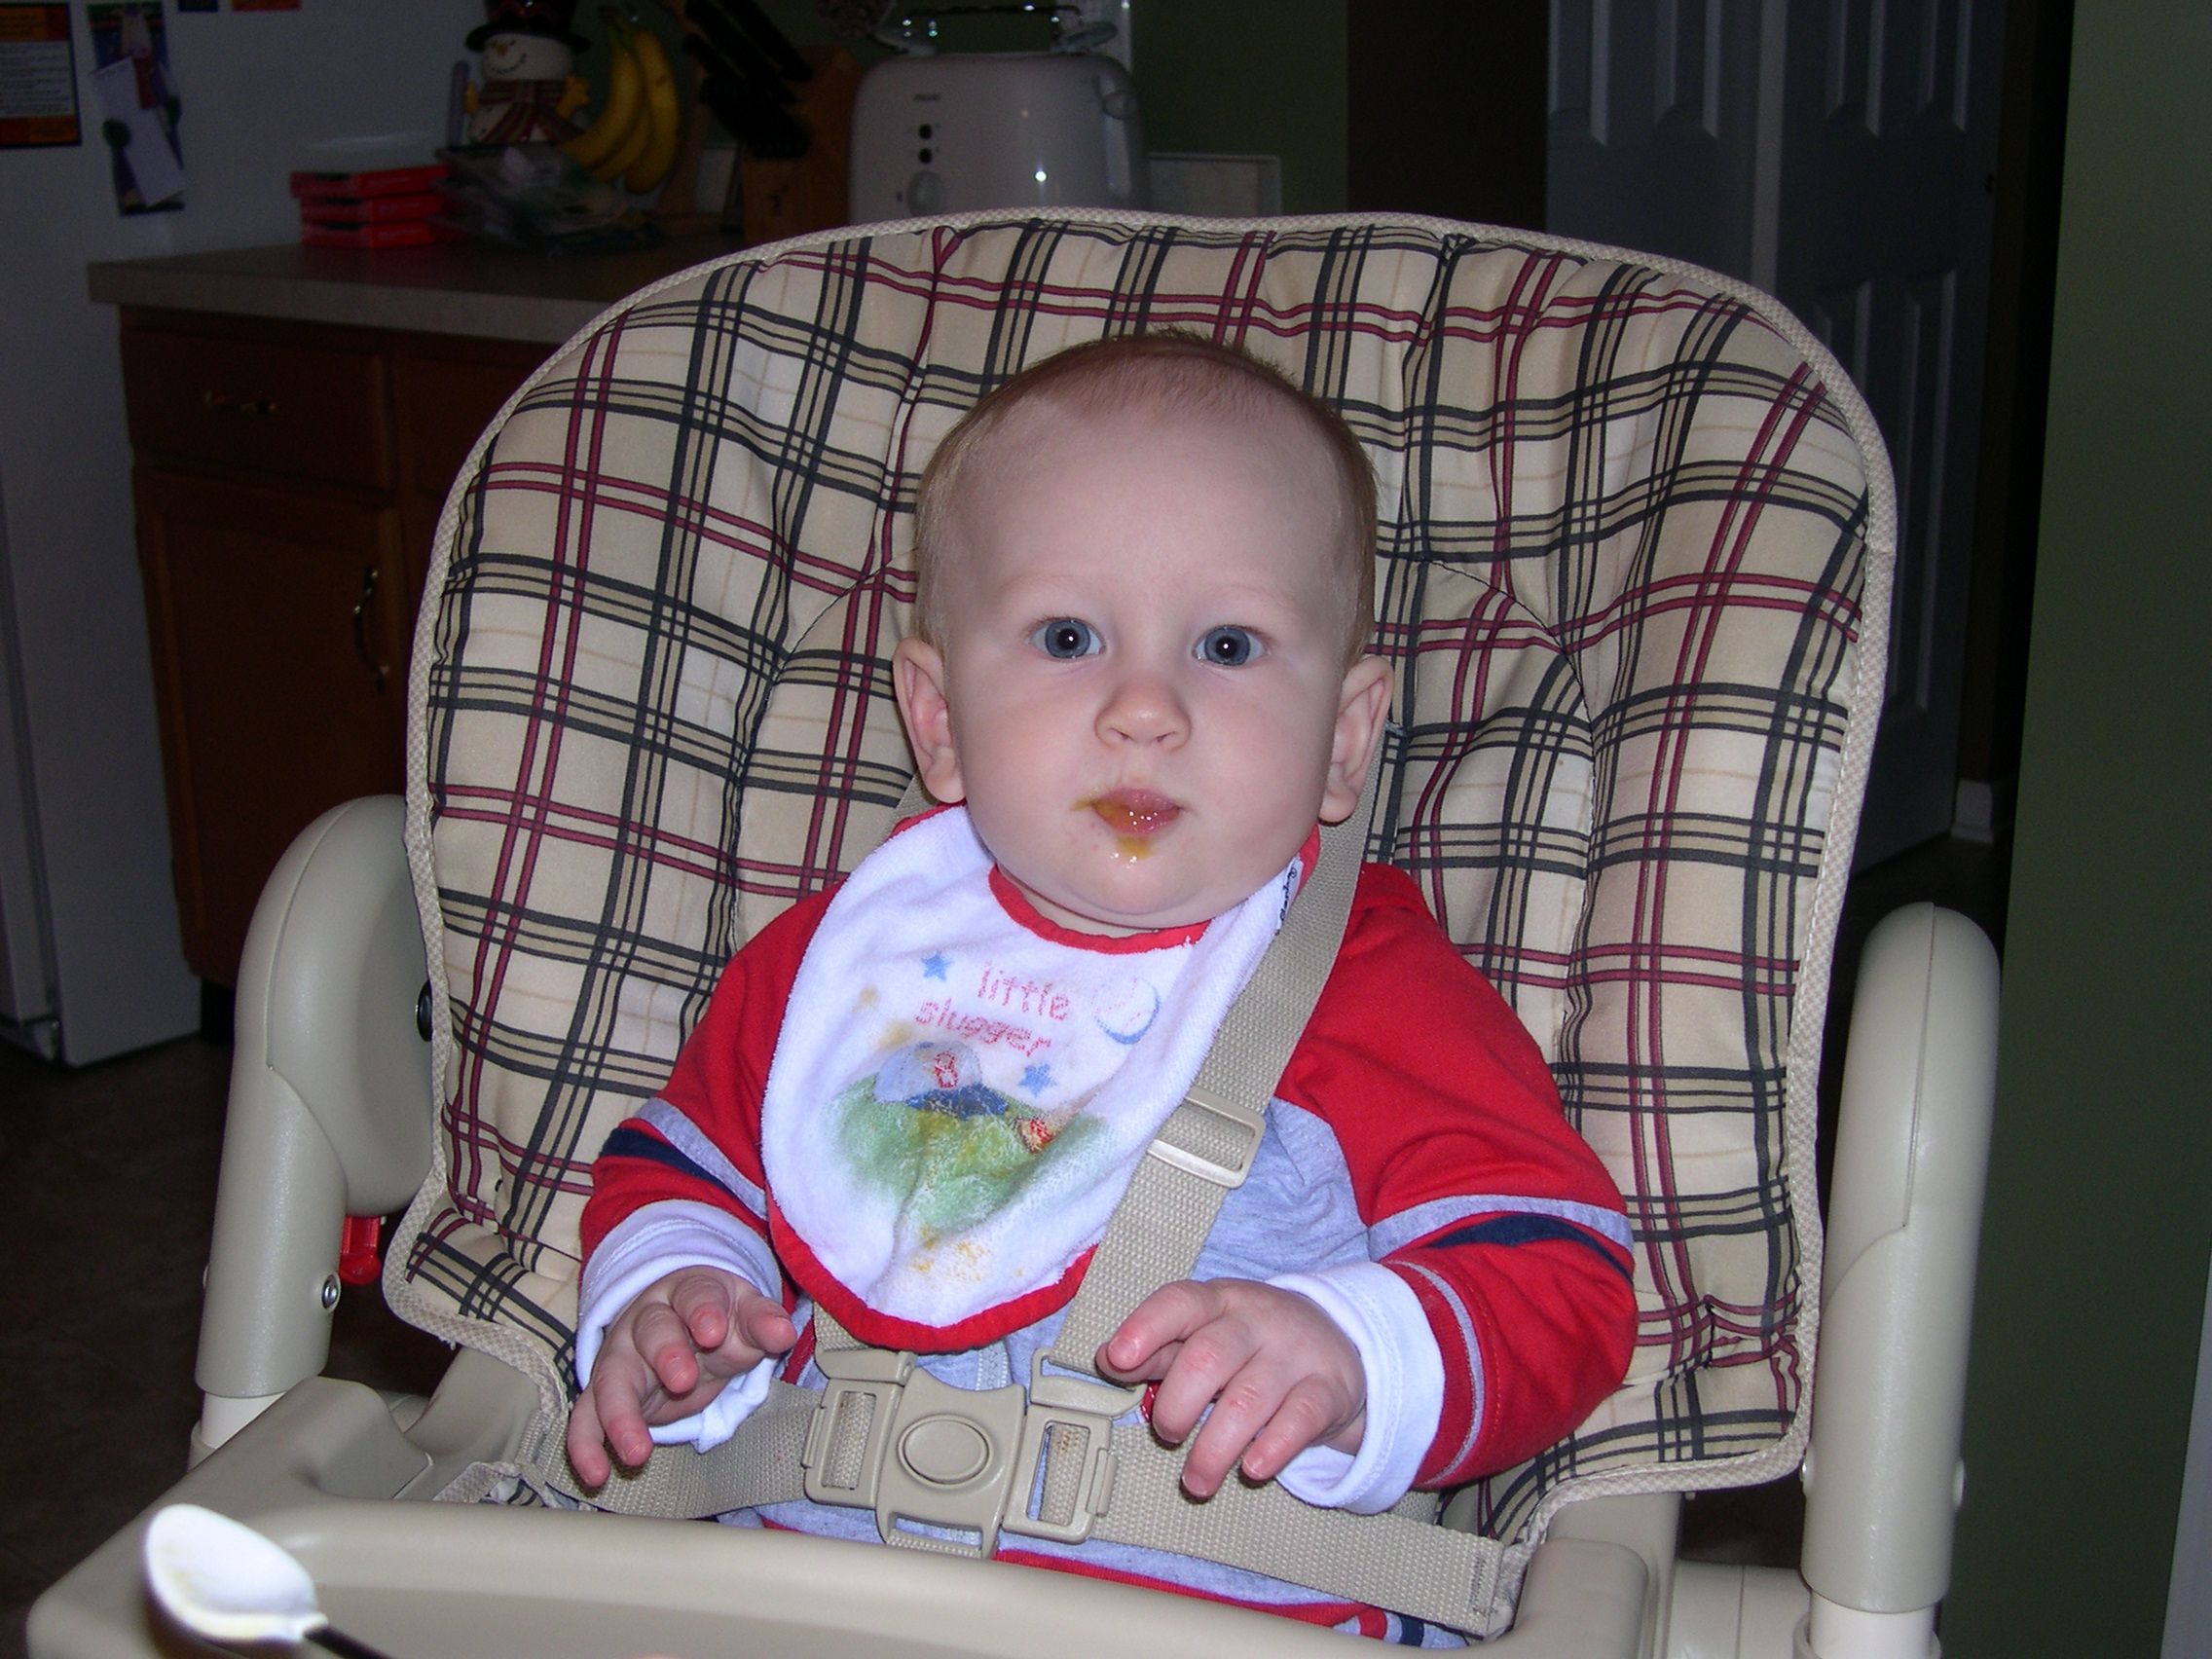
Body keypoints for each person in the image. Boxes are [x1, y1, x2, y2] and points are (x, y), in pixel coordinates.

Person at [567, 332, 1637, 1641]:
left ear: (1346, 738)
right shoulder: (836, 968)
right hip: (808, 1612)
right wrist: (677, 1294)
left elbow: (1558, 1276)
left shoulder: (1372, 992)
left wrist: (1361, 1352)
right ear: (941, 716)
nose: (1146, 707)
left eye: (1228, 645)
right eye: (1069, 635)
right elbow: (680, 1170)